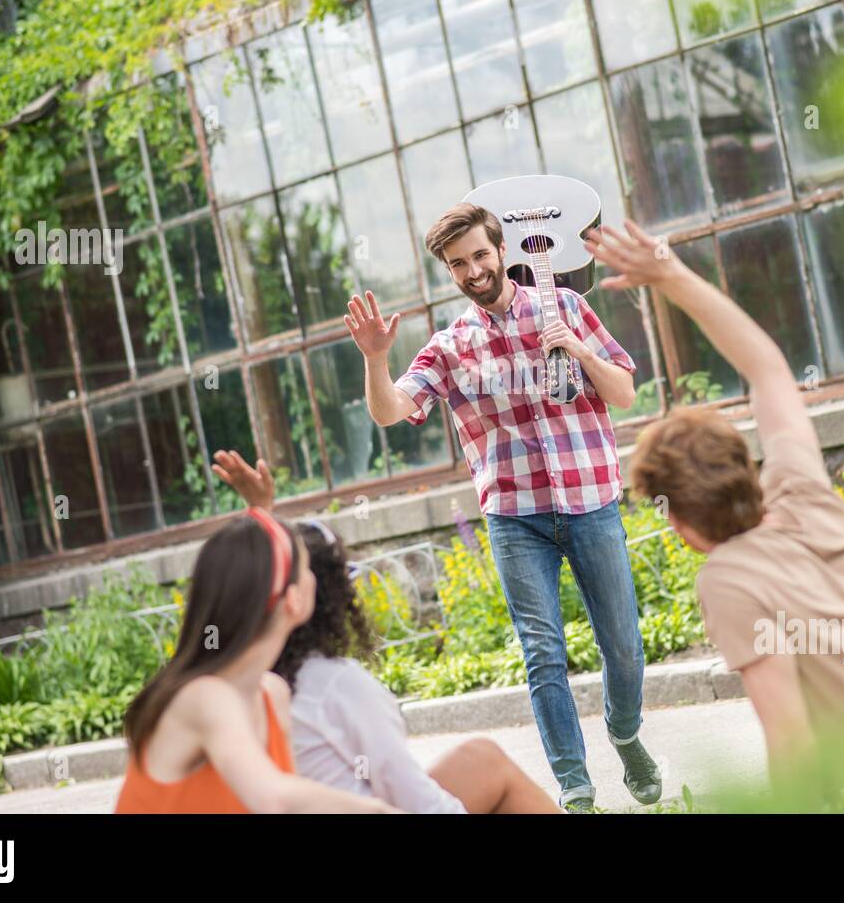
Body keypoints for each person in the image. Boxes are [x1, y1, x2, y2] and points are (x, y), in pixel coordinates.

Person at [592, 220, 844, 811]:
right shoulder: (804, 494)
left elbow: (791, 737)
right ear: (745, 469)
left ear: (681, 522)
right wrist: (669, 274)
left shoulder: (729, 579)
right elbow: (769, 369)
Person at [340, 203, 659, 812]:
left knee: (622, 644)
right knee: (543, 654)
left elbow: (622, 389)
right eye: (458, 264)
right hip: (515, 516)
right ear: (450, 273)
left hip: (591, 501)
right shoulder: (449, 347)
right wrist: (375, 358)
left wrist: (578, 351)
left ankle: (624, 733)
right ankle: (575, 787)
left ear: (501, 250)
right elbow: (391, 411)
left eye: (481, 255)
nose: (473, 270)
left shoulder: (564, 307)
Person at [212, 451, 562, 814]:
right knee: (491, 770)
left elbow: (266, 577)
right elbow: (419, 802)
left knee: (481, 758)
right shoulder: (335, 685)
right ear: (326, 598)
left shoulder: (232, 680)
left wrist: (261, 510)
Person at [115, 502, 395, 814]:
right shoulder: (205, 697)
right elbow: (274, 799)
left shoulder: (272, 694)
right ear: (294, 599)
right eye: (306, 569)